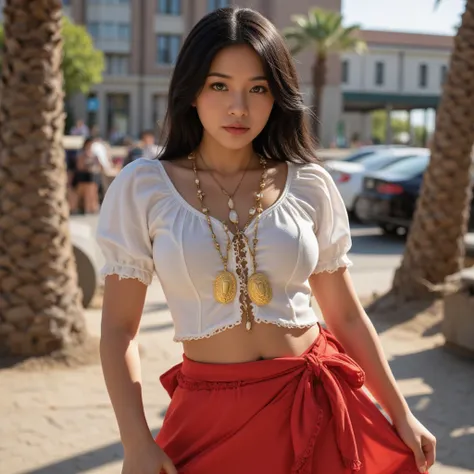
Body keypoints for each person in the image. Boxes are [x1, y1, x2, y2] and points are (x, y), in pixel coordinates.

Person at [96, 7, 436, 474]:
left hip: (317, 401)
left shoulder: (310, 184)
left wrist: (401, 412)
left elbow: (347, 316)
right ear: (191, 90)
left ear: (277, 96)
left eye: (258, 88)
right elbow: (118, 330)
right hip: (211, 415)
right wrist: (136, 442)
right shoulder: (143, 187)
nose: (239, 106)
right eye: (220, 85)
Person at [75, 137, 102, 214]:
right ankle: (86, 208)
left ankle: (92, 207)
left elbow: (99, 166)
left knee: (93, 191)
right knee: (86, 191)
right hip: (84, 176)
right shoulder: (82, 154)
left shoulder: (95, 155)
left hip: (93, 175)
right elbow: (79, 166)